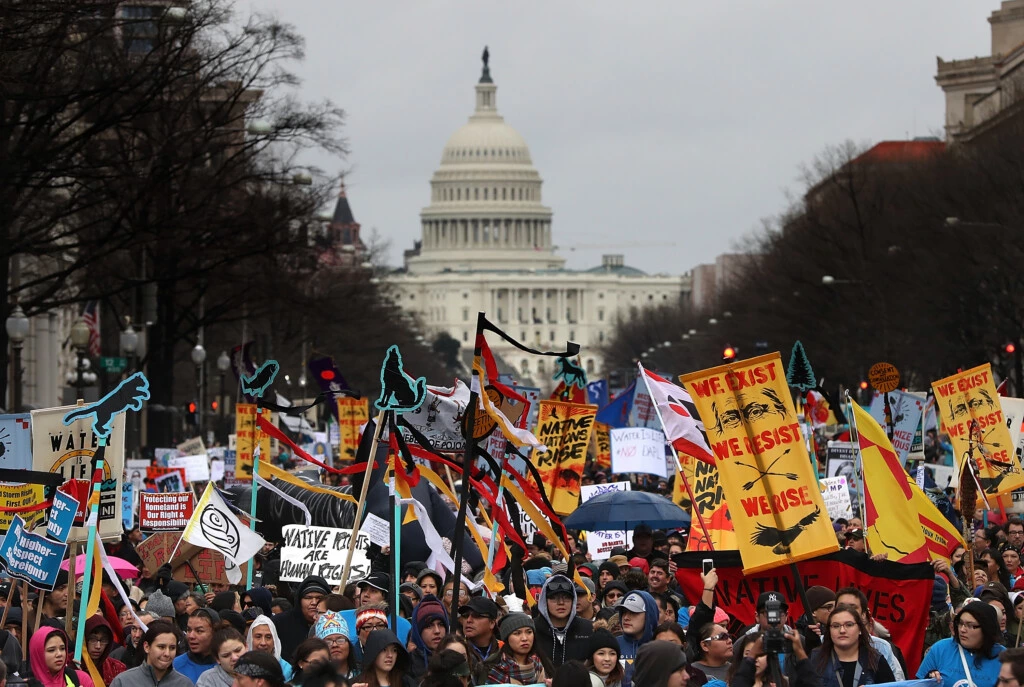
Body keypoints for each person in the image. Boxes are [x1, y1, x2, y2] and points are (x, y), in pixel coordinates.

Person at [918, 601, 1005, 687]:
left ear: (987, 629)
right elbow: (918, 683)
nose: (962, 630)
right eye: (961, 623)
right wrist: (930, 680)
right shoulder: (940, 650)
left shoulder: (1004, 657)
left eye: (971, 625)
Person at [810, 604, 895, 687]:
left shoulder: (876, 660)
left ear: (860, 629)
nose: (842, 630)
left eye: (849, 625)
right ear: (829, 630)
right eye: (836, 626)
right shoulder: (815, 658)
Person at [833, 588, 905, 680]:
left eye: (852, 607)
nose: (846, 611)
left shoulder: (881, 647)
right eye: (841, 607)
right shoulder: (819, 645)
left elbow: (897, 683)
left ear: (863, 614)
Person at [110, 621, 193, 687]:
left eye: (172, 648)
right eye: (161, 647)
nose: (167, 653)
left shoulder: (185, 684)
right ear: (146, 647)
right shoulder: (123, 681)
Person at [535, 574, 594, 668]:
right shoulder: (532, 630)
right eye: (554, 598)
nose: (561, 603)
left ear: (573, 600)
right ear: (544, 601)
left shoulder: (589, 629)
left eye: (566, 598)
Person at [273, 576, 330, 663]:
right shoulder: (279, 623)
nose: (314, 602)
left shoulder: (336, 623)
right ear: (299, 600)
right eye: (308, 597)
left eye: (319, 597)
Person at [487, 613, 552, 685]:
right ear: (506, 638)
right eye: (517, 633)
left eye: (529, 632)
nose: (524, 638)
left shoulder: (542, 664)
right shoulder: (496, 670)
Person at [616, 590, 659, 687]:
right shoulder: (613, 645)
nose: (626, 617)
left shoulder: (660, 647)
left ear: (649, 615)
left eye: (633, 612)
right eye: (624, 612)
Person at [26, 627, 92, 687]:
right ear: (38, 654)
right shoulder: (24, 683)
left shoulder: (81, 679)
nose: (59, 654)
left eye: (62, 648)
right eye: (51, 650)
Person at [457, 597, 501, 683]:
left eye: (476, 616)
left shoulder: (504, 650)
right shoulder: (458, 650)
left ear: (492, 623)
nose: (469, 620)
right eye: (465, 615)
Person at [174, 608, 220, 683]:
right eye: (189, 630)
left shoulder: (227, 666)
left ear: (215, 632)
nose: (191, 636)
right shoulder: (176, 665)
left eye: (199, 631)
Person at [408, 596, 448, 681]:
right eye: (429, 626)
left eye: (441, 624)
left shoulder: (456, 659)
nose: (437, 631)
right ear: (418, 631)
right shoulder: (407, 664)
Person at [246, 616, 294, 681]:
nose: (263, 643)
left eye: (268, 637)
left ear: (274, 641)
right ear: (250, 639)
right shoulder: (242, 667)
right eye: (258, 636)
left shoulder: (286, 670)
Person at [314, 612, 356, 683]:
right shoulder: (313, 681)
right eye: (328, 642)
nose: (335, 645)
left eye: (340, 640)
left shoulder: (364, 674)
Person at [85, 615, 127, 684]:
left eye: (103, 640)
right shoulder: (69, 664)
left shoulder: (117, 668)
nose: (98, 646)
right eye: (93, 639)